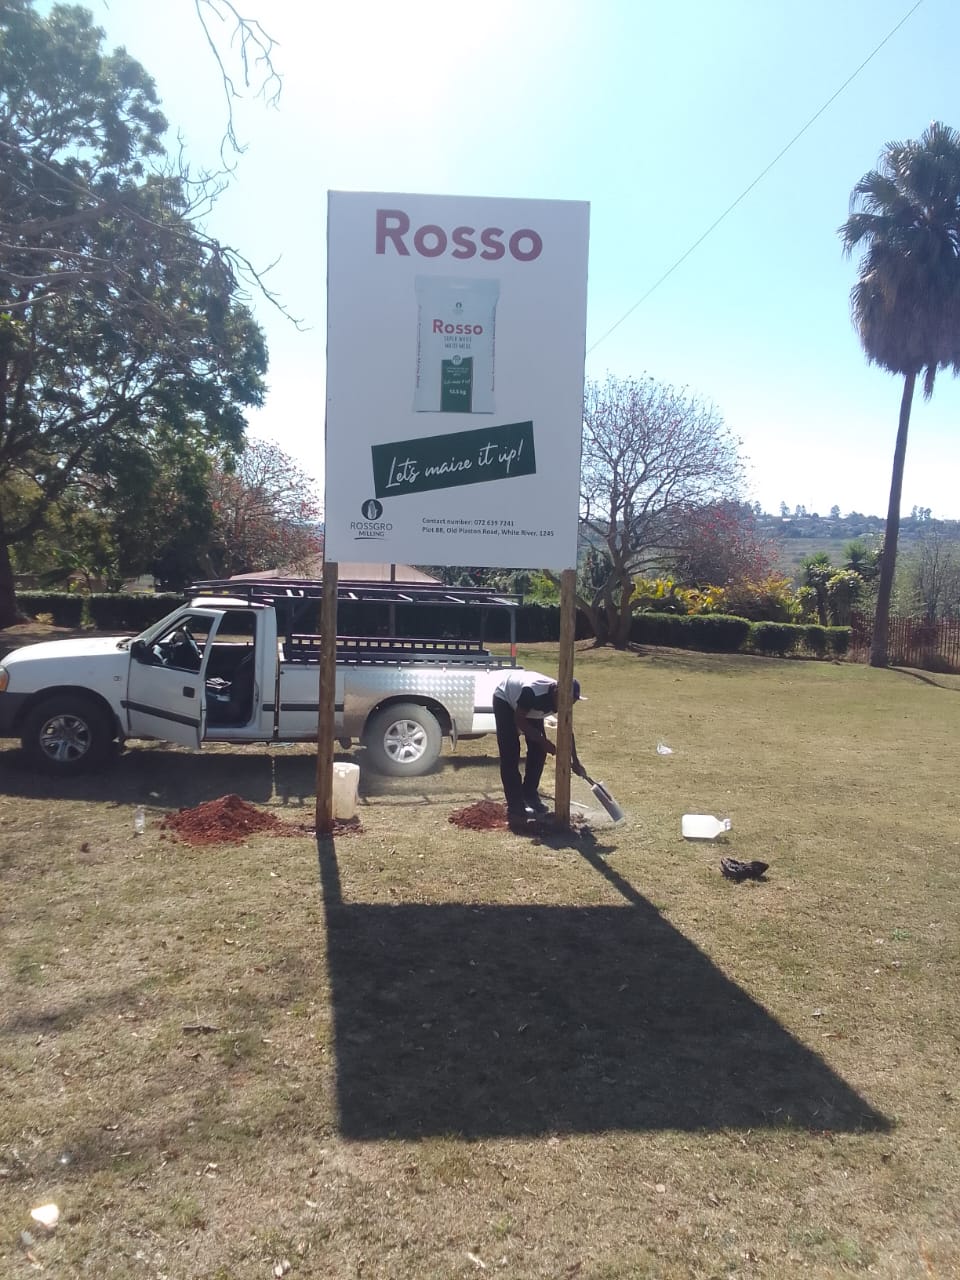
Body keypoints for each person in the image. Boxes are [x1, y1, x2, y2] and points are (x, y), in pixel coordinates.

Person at [492, 670, 586, 826]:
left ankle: (529, 793)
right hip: (506, 700)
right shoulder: (533, 692)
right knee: (510, 753)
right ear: (556, 692)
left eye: (573, 702)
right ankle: (515, 805)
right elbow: (519, 719)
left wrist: (575, 760)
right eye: (569, 700)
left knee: (538, 752)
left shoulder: (562, 700)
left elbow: (567, 730)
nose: (569, 705)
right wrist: (543, 741)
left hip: (530, 708)